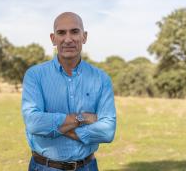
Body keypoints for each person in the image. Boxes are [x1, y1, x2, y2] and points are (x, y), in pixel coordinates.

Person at [22, 12, 116, 171]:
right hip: (44, 167)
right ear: (53, 39)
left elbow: (107, 131)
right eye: (61, 33)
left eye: (74, 31)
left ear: (84, 37)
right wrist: (83, 118)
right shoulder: (35, 75)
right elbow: (33, 123)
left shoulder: (101, 79)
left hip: (87, 167)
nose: (68, 39)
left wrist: (53, 127)